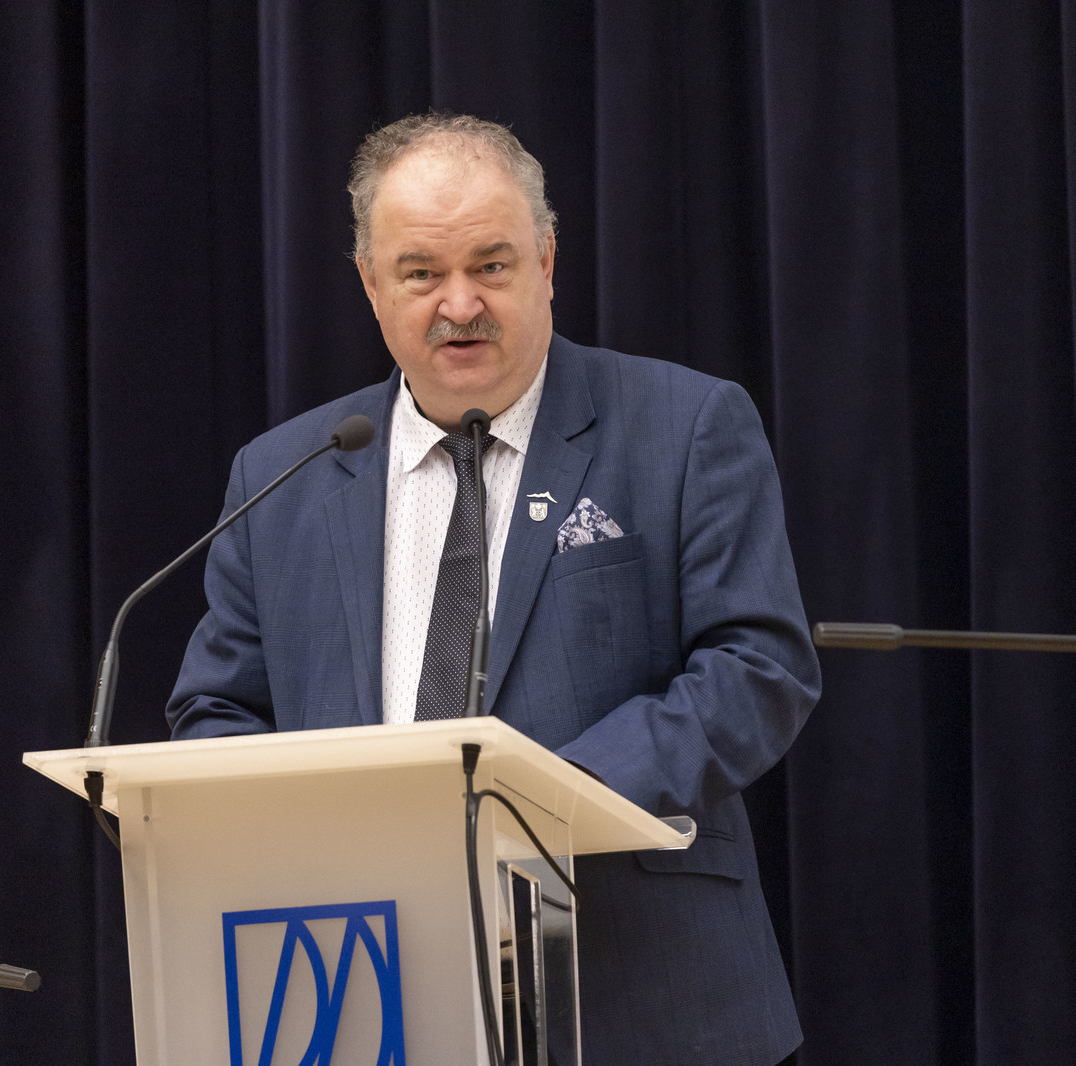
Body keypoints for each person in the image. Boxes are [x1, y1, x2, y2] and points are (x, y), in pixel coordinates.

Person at [167, 112, 821, 1066]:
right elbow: (216, 712)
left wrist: (539, 805)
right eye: (421, 273)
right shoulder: (284, 475)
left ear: (547, 261)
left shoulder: (684, 426)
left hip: (643, 997)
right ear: (370, 284)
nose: (460, 303)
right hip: (372, 994)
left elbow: (758, 668)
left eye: (492, 264)